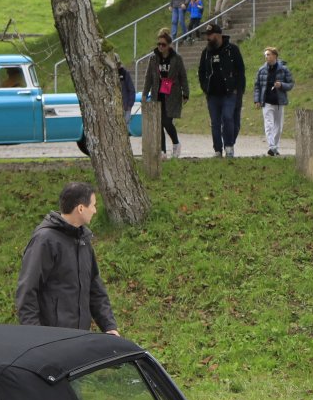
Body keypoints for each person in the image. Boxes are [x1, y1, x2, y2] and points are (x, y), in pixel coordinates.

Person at [15, 182, 118, 335]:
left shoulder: (83, 240)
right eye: (93, 205)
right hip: (52, 339)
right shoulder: (45, 241)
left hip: (80, 337)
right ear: (81, 208)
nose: (95, 210)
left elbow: (94, 287)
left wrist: (109, 326)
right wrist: (36, 336)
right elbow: (27, 291)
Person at [198, 21, 246, 157]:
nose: (208, 38)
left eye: (210, 35)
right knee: (215, 122)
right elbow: (201, 71)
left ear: (218, 35)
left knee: (228, 118)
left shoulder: (232, 50)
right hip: (212, 94)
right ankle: (218, 150)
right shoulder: (206, 53)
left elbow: (240, 71)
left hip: (229, 93)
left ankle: (229, 145)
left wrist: (239, 90)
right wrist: (205, 88)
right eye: (207, 35)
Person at [143, 28, 190, 159]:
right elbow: (148, 77)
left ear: (169, 45)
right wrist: (145, 93)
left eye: (163, 44)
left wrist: (186, 93)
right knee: (158, 123)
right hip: (157, 94)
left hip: (172, 94)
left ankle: (176, 144)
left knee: (166, 122)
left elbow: (183, 76)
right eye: (158, 44)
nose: (160, 47)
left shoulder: (176, 58)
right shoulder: (153, 59)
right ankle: (162, 151)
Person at [253, 46, 296, 157]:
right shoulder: (261, 70)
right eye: (265, 55)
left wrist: (281, 85)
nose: (266, 57)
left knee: (279, 127)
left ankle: (275, 148)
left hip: (279, 102)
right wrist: (257, 100)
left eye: (268, 54)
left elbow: (291, 84)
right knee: (269, 125)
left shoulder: (284, 69)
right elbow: (257, 86)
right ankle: (272, 146)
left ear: (275, 56)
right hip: (266, 102)